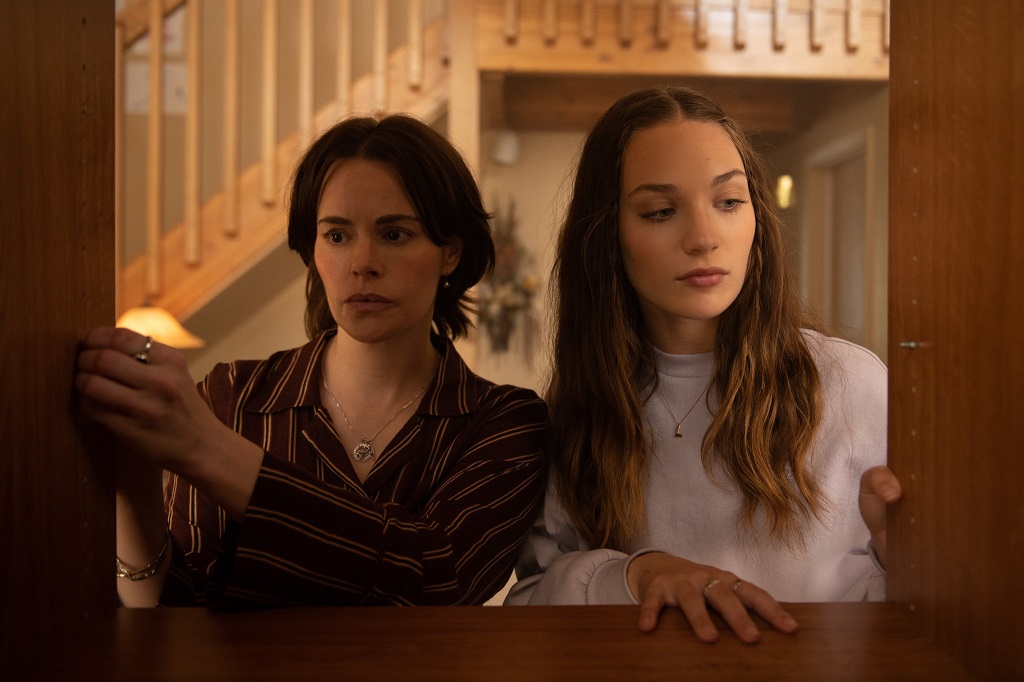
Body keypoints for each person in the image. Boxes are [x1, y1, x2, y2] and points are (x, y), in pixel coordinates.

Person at [76, 114, 547, 608]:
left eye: (394, 234)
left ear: (450, 252)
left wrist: (209, 451)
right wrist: (134, 489)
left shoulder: (502, 423)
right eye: (337, 236)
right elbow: (176, 604)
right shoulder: (232, 397)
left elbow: (435, 576)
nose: (362, 263)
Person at [505, 86, 902, 643]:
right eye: (661, 211)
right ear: (607, 234)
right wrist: (637, 574)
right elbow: (531, 604)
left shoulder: (851, 385)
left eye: (729, 202)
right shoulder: (579, 411)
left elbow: (932, 603)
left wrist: (910, 558)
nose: (703, 238)